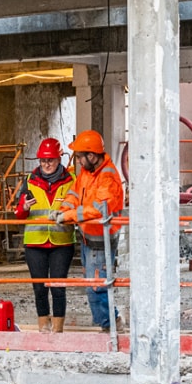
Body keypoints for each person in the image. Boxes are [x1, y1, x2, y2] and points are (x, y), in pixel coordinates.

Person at [54, 130, 125, 330]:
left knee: (96, 286)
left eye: (79, 157)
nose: (77, 161)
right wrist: (63, 209)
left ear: (91, 156)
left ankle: (111, 325)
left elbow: (97, 208)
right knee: (93, 284)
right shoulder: (87, 173)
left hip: (101, 241)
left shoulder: (107, 177)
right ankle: (109, 324)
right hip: (88, 238)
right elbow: (74, 193)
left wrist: (68, 216)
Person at [13, 138, 75, 334]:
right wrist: (23, 207)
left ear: (59, 159)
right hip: (35, 243)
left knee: (58, 287)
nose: (46, 164)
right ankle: (43, 326)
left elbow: (76, 209)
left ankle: (57, 329)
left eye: (50, 160)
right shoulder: (29, 182)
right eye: (43, 161)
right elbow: (19, 213)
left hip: (61, 243)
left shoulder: (70, 182)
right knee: (39, 288)